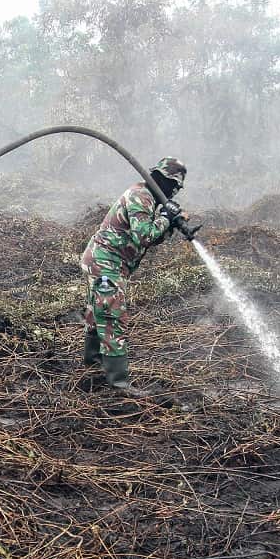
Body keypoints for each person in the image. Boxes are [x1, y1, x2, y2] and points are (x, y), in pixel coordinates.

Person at [80, 157, 187, 395]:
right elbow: (144, 236)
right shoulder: (142, 196)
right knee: (111, 316)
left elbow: (152, 237)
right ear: (165, 180)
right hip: (105, 264)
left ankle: (92, 367)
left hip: (107, 262)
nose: (174, 193)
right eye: (174, 187)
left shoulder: (148, 197)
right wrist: (165, 218)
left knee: (96, 313)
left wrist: (169, 223)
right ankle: (118, 384)